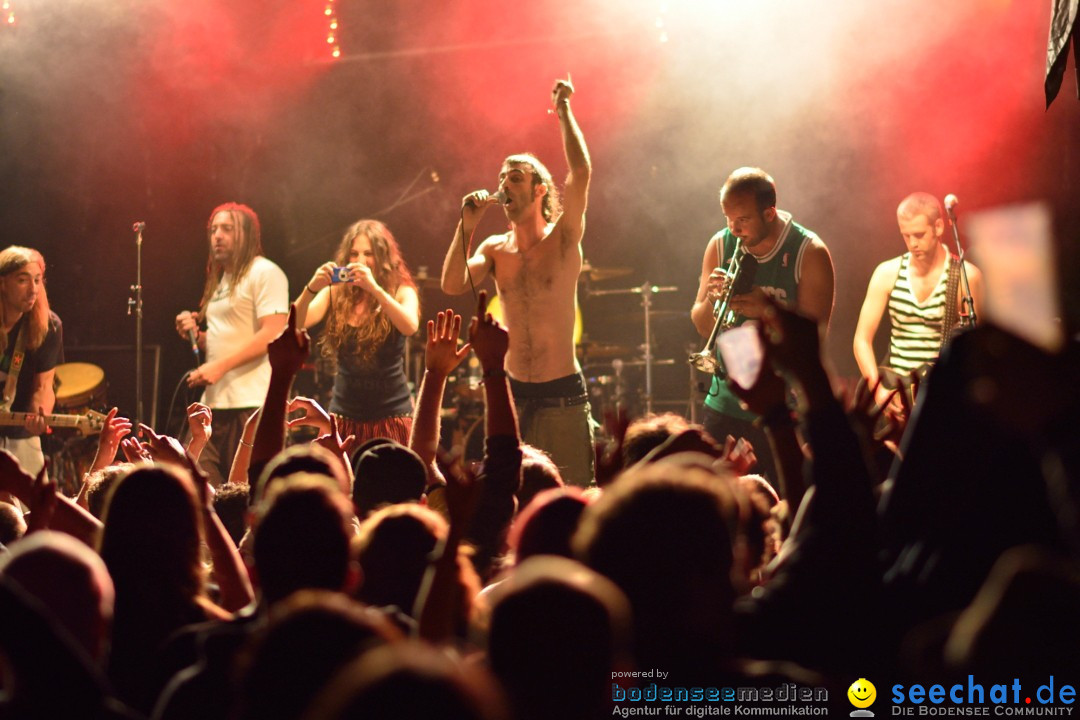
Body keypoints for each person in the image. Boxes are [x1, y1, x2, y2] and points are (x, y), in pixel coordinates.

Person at [440, 77, 594, 487]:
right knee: (507, 498)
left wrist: (563, 111)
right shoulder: (494, 249)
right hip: (511, 394)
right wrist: (466, 226)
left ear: (540, 190)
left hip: (561, 394)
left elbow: (580, 172)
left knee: (571, 498)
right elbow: (453, 283)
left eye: (516, 178)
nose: (505, 185)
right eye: (502, 179)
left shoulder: (562, 239)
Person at [690, 168, 834, 484]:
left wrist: (766, 309)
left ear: (769, 213)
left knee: (791, 501)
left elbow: (814, 341)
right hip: (725, 402)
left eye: (742, 220)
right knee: (717, 504)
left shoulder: (809, 252)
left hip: (783, 407)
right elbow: (701, 325)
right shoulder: (720, 244)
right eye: (728, 218)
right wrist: (715, 301)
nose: (733, 228)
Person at [175, 203, 289, 486]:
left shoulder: (265, 272)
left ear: (247, 235)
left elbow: (273, 333)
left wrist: (219, 367)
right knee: (197, 485)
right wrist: (196, 336)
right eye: (214, 229)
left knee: (245, 493)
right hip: (214, 403)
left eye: (227, 229)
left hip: (251, 403)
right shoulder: (221, 278)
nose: (217, 236)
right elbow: (227, 336)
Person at [290, 219, 420, 446]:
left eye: (368, 254)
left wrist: (374, 289)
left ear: (382, 258)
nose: (360, 261)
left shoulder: (401, 290)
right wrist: (311, 288)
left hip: (391, 415)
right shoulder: (337, 291)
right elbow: (296, 323)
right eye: (354, 254)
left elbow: (410, 325)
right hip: (344, 415)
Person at [853, 191, 983, 407]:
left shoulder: (965, 277)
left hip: (938, 396)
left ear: (939, 227)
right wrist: (879, 391)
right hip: (893, 390)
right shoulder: (887, 273)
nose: (913, 243)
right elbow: (861, 340)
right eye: (906, 235)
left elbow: (977, 349)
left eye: (919, 234)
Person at [0, 246, 62, 483]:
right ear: (3, 283)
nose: (33, 289)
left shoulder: (49, 326)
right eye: (23, 280)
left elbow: (44, 386)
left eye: (37, 280)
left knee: (34, 509)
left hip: (20, 436)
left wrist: (41, 412)